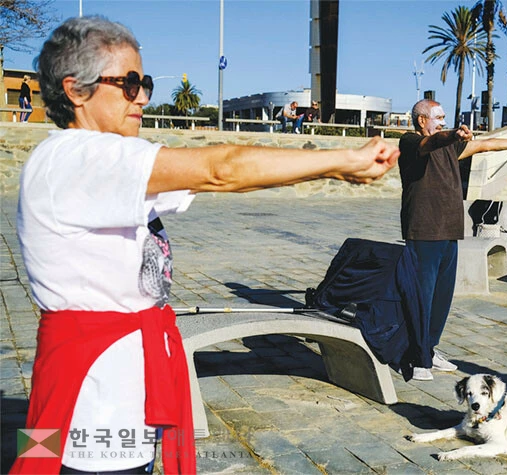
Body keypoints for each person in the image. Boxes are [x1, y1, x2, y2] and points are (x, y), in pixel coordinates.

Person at [10, 16, 398, 475]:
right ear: (75, 91)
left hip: (110, 381)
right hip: (90, 395)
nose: (142, 97)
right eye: (128, 83)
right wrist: (343, 161)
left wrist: (329, 168)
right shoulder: (77, 158)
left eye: (145, 82)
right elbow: (222, 168)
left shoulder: (93, 161)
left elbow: (224, 179)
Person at [399, 99, 507, 381]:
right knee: (421, 298)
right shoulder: (410, 143)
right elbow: (431, 143)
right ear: (421, 121)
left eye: (444, 117)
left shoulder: (452, 148)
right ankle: (417, 359)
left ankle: (429, 348)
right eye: (438, 117)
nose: (443, 121)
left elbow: (487, 145)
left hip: (450, 231)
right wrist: (452, 134)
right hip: (424, 232)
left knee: (441, 298)